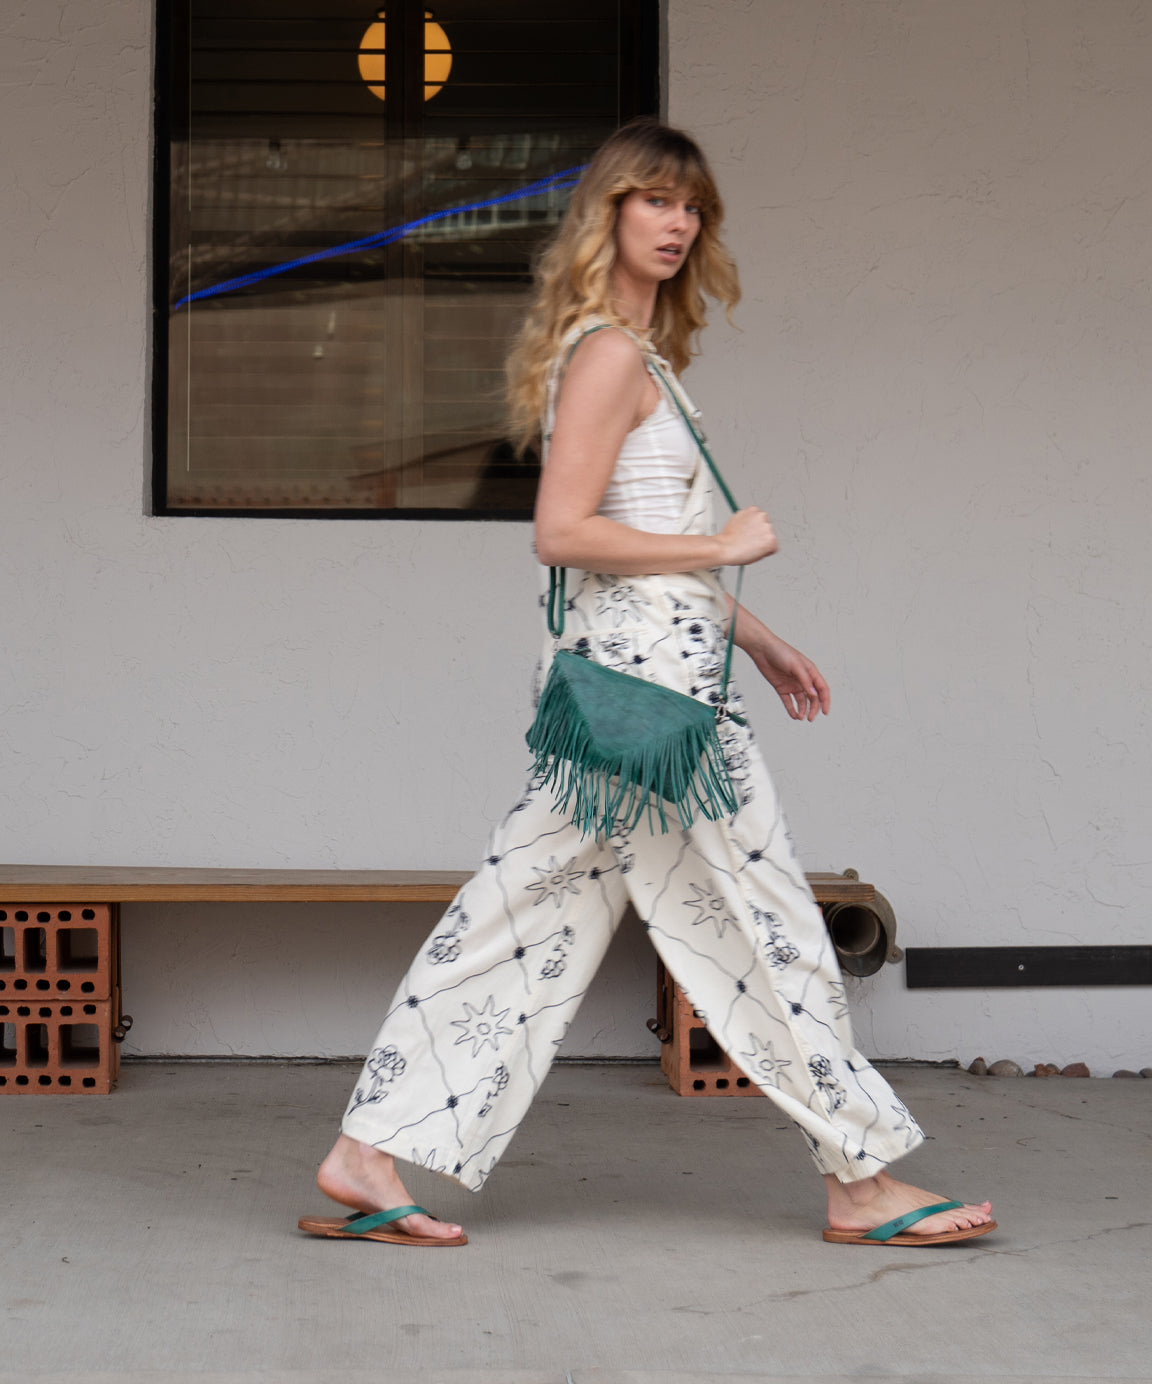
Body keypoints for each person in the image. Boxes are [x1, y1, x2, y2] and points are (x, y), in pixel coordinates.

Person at [298, 118, 995, 1249]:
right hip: (651, 712)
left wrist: (753, 632)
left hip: (640, 695)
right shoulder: (611, 355)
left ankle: (365, 1151)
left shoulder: (636, 348)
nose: (676, 223)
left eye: (692, 208)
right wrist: (724, 555)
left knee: (521, 917)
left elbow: (645, 536)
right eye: (654, 200)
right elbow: (562, 533)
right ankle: (861, 1180)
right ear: (609, 211)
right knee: (766, 927)